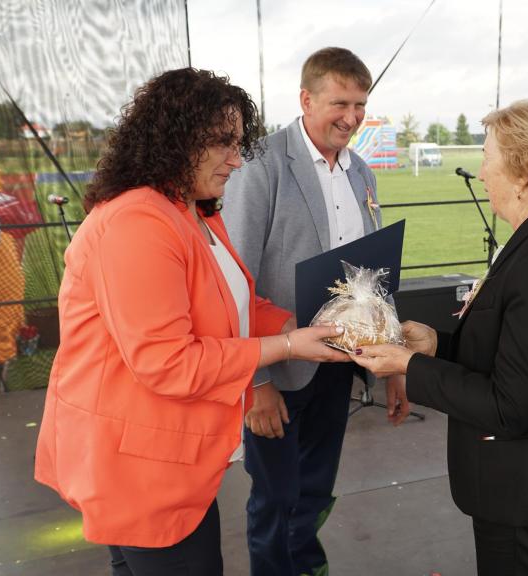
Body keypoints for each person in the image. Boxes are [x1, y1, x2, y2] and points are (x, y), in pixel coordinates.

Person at [33, 68, 347, 576]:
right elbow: (167, 362)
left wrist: (305, 324)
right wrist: (288, 347)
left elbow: (233, 305)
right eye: (222, 142)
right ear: (175, 140)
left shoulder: (193, 211)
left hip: (165, 462)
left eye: (238, 143)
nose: (236, 159)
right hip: (137, 471)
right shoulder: (138, 222)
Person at [350, 99, 528, 575]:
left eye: (488, 157)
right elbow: (519, 353)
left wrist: (408, 366)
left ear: (522, 173)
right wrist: (437, 346)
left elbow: (510, 405)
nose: (482, 170)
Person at [222, 46, 409, 576]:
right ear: (306, 100)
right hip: (277, 369)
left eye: (360, 104)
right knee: (275, 498)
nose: (352, 117)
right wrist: (255, 383)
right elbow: (235, 279)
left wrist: (395, 363)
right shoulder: (261, 164)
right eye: (339, 104)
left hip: (340, 364)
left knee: (315, 489)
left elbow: (375, 276)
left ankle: (305, 565)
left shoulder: (361, 172)